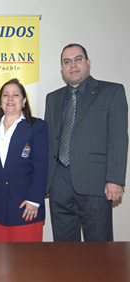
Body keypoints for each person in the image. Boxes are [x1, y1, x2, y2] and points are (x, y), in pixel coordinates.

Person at [45, 43, 128, 241]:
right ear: (62, 69)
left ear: (88, 63)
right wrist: (46, 182)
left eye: (78, 59)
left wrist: (115, 179)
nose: (72, 64)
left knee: (99, 249)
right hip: (59, 184)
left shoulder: (111, 92)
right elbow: (50, 142)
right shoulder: (53, 98)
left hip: (96, 183)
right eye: (67, 61)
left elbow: (118, 137)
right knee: (64, 249)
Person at [0, 78, 48, 242]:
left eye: (15, 95)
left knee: (26, 262)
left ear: (24, 100)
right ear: (0, 102)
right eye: (6, 95)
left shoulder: (37, 127)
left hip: (26, 205)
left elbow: (41, 167)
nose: (10, 99)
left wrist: (35, 200)